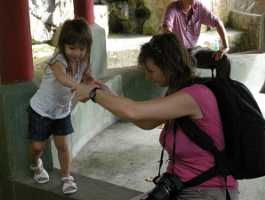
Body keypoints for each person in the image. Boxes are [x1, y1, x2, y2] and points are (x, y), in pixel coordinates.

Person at [74, 33, 239, 200]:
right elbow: (146, 122)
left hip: (208, 190)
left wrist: (94, 94)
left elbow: (134, 111)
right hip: (179, 185)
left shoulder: (193, 96)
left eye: (151, 71)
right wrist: (107, 94)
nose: (147, 76)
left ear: (168, 67)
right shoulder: (177, 92)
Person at [28, 18, 95, 194]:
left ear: (87, 48)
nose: (77, 53)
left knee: (63, 147)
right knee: (37, 147)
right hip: (41, 110)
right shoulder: (58, 61)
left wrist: (95, 87)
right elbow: (62, 78)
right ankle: (36, 164)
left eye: (82, 49)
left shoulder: (83, 63)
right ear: (63, 45)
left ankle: (66, 177)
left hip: (61, 113)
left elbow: (88, 79)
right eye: (72, 48)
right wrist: (78, 87)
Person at [162, 0, 231, 78]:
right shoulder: (172, 8)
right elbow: (166, 29)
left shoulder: (199, 6)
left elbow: (217, 22)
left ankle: (222, 87)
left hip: (194, 50)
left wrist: (225, 46)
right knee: (184, 67)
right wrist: (177, 49)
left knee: (223, 59)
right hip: (178, 53)